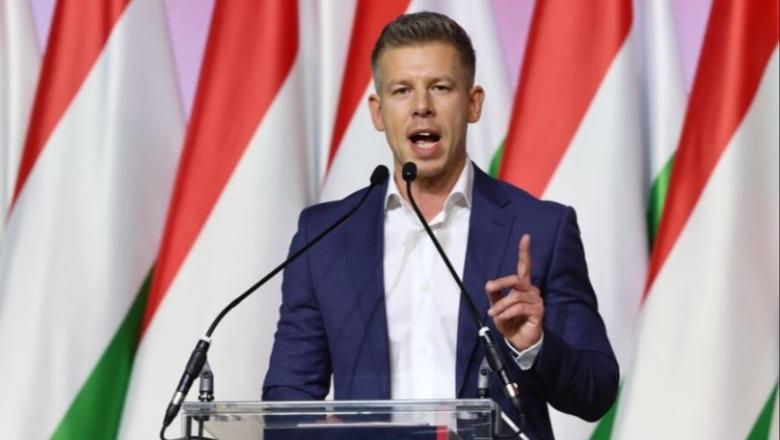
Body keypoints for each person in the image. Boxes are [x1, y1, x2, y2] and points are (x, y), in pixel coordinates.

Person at [263, 11, 618, 439]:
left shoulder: (541, 228)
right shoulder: (324, 236)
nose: (422, 107)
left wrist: (535, 346)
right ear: (378, 111)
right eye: (402, 90)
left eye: (440, 87)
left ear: (473, 103)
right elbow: (288, 398)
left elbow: (596, 392)